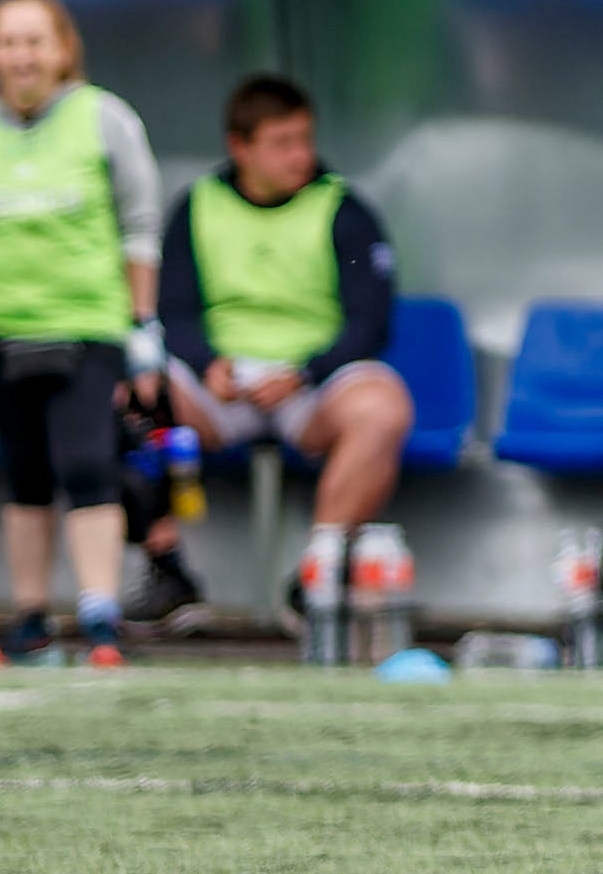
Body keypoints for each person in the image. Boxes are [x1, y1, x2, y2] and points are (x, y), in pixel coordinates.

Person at [0, 0, 165, 665]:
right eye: (7, 42)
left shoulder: (104, 118)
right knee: (24, 471)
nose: (21, 56)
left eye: (35, 41)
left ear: (63, 48)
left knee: (87, 462)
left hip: (84, 323)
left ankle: (99, 616)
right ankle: (30, 614)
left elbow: (139, 226)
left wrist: (143, 321)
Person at [127, 74, 411, 627]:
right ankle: (168, 572)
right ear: (241, 146)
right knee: (126, 395)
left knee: (385, 407)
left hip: (312, 386)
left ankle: (318, 577)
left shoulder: (343, 209)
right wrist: (208, 365)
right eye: (283, 144)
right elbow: (174, 310)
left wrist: (304, 371)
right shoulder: (197, 208)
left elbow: (370, 322)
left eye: (305, 140)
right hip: (222, 387)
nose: (300, 156)